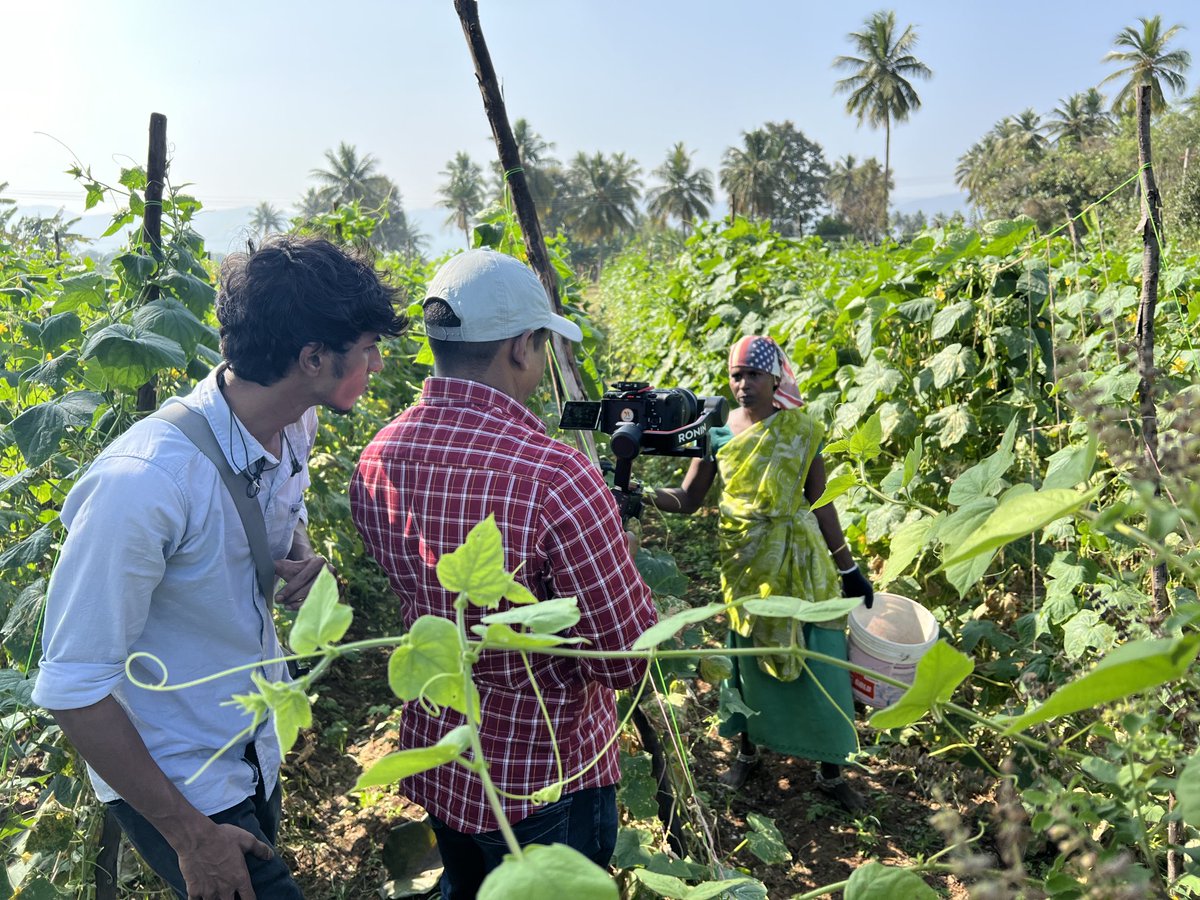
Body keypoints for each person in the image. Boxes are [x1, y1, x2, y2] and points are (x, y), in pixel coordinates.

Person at [32, 235, 406, 900]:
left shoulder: (295, 425)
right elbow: (72, 685)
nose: (377, 364)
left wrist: (298, 556)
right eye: (369, 347)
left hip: (248, 746)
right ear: (313, 357)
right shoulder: (144, 482)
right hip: (181, 777)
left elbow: (274, 518)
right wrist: (191, 837)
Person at [350, 249, 657, 899]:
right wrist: (617, 551)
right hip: (544, 783)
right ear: (522, 347)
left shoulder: (377, 458)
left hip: (445, 757)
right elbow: (625, 658)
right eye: (544, 346)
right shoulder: (557, 476)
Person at [648, 335, 874, 810]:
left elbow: (822, 501)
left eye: (753, 374)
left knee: (817, 657)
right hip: (745, 561)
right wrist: (638, 493)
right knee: (747, 651)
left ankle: (831, 770)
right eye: (736, 375)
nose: (744, 384)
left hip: (802, 561)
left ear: (776, 378)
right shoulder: (717, 433)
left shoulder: (802, 430)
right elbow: (688, 500)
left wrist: (848, 567)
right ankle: (748, 751)